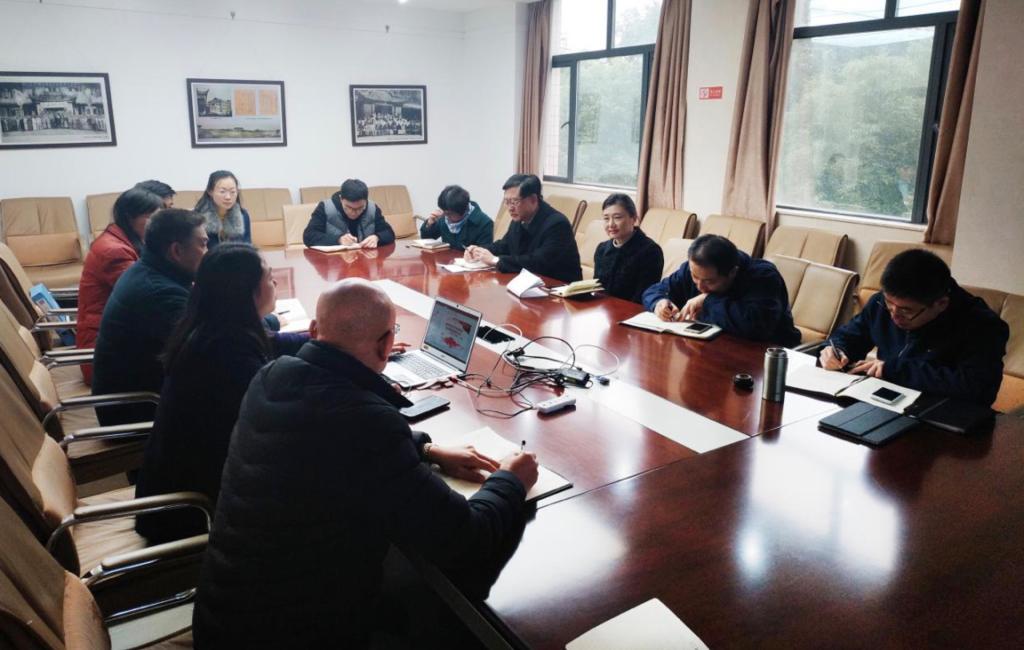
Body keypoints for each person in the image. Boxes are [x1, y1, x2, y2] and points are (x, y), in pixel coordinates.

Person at [193, 278, 538, 648]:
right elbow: (464, 540)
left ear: (314, 330)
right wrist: (510, 479)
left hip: (223, 615)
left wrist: (426, 449)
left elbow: (328, 444)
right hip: (290, 633)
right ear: (387, 345)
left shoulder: (271, 376)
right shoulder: (368, 423)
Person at [134, 244, 307, 543]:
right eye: (269, 278)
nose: (275, 284)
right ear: (247, 293)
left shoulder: (213, 329)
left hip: (178, 489)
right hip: (191, 512)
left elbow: (272, 343)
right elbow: (275, 417)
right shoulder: (224, 353)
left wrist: (320, 340)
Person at [822, 249, 1008, 406]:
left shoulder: (983, 326)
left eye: (906, 311)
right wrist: (837, 350)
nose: (894, 315)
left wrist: (895, 370)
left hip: (940, 415)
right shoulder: (882, 303)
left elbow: (975, 388)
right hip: (885, 402)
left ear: (941, 304)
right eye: (889, 304)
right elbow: (849, 335)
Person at [91, 209, 208, 425]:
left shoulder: (150, 271)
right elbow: (209, 348)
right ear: (176, 251)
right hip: (137, 409)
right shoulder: (160, 294)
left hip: (138, 397)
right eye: (203, 244)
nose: (207, 252)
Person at [642, 234, 800, 347]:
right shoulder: (693, 270)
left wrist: (707, 301)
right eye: (695, 277)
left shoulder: (763, 276)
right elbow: (654, 290)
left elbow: (756, 326)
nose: (700, 286)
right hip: (710, 347)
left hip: (768, 354)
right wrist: (659, 302)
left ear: (732, 272)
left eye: (709, 281)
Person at [77, 187, 164, 384]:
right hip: (104, 356)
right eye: (151, 218)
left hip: (115, 341)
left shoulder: (123, 239)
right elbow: (147, 298)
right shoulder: (114, 251)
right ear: (129, 216)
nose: (156, 225)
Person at [464, 174, 582, 283]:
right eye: (507, 202)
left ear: (533, 199)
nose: (510, 208)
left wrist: (496, 260)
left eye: (515, 201)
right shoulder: (519, 219)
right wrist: (478, 250)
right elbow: (504, 246)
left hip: (559, 289)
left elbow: (538, 262)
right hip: (529, 284)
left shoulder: (557, 224)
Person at [593, 194, 664, 303]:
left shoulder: (651, 252)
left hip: (630, 311)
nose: (611, 224)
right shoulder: (601, 249)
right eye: (606, 219)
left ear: (633, 218)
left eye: (617, 217)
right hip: (600, 310)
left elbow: (643, 298)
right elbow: (596, 290)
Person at [302, 178, 396, 249]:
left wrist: (377, 237)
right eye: (349, 207)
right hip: (334, 263)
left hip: (365, 261)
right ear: (341, 199)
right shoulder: (325, 207)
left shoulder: (372, 208)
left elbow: (389, 233)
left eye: (360, 208)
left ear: (365, 201)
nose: (354, 213)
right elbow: (309, 236)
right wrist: (338, 240)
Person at [419, 184, 493, 251]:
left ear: (464, 211)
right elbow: (426, 240)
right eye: (444, 211)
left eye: (449, 214)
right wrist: (429, 224)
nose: (445, 216)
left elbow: (484, 254)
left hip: (468, 261)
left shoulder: (485, 224)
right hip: (446, 260)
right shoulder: (445, 215)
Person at [193, 170, 251, 248]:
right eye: (222, 191)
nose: (228, 197)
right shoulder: (197, 218)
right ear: (210, 192)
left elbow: (247, 246)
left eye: (232, 192)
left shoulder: (243, 215)